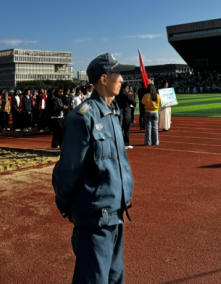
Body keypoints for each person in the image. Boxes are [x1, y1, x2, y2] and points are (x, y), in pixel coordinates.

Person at [52, 53, 134, 284]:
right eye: (118, 74)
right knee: (94, 279)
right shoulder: (82, 118)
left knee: (115, 277)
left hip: (116, 214)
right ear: (104, 79)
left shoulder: (113, 112)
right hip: (95, 219)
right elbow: (68, 169)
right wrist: (66, 204)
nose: (122, 79)